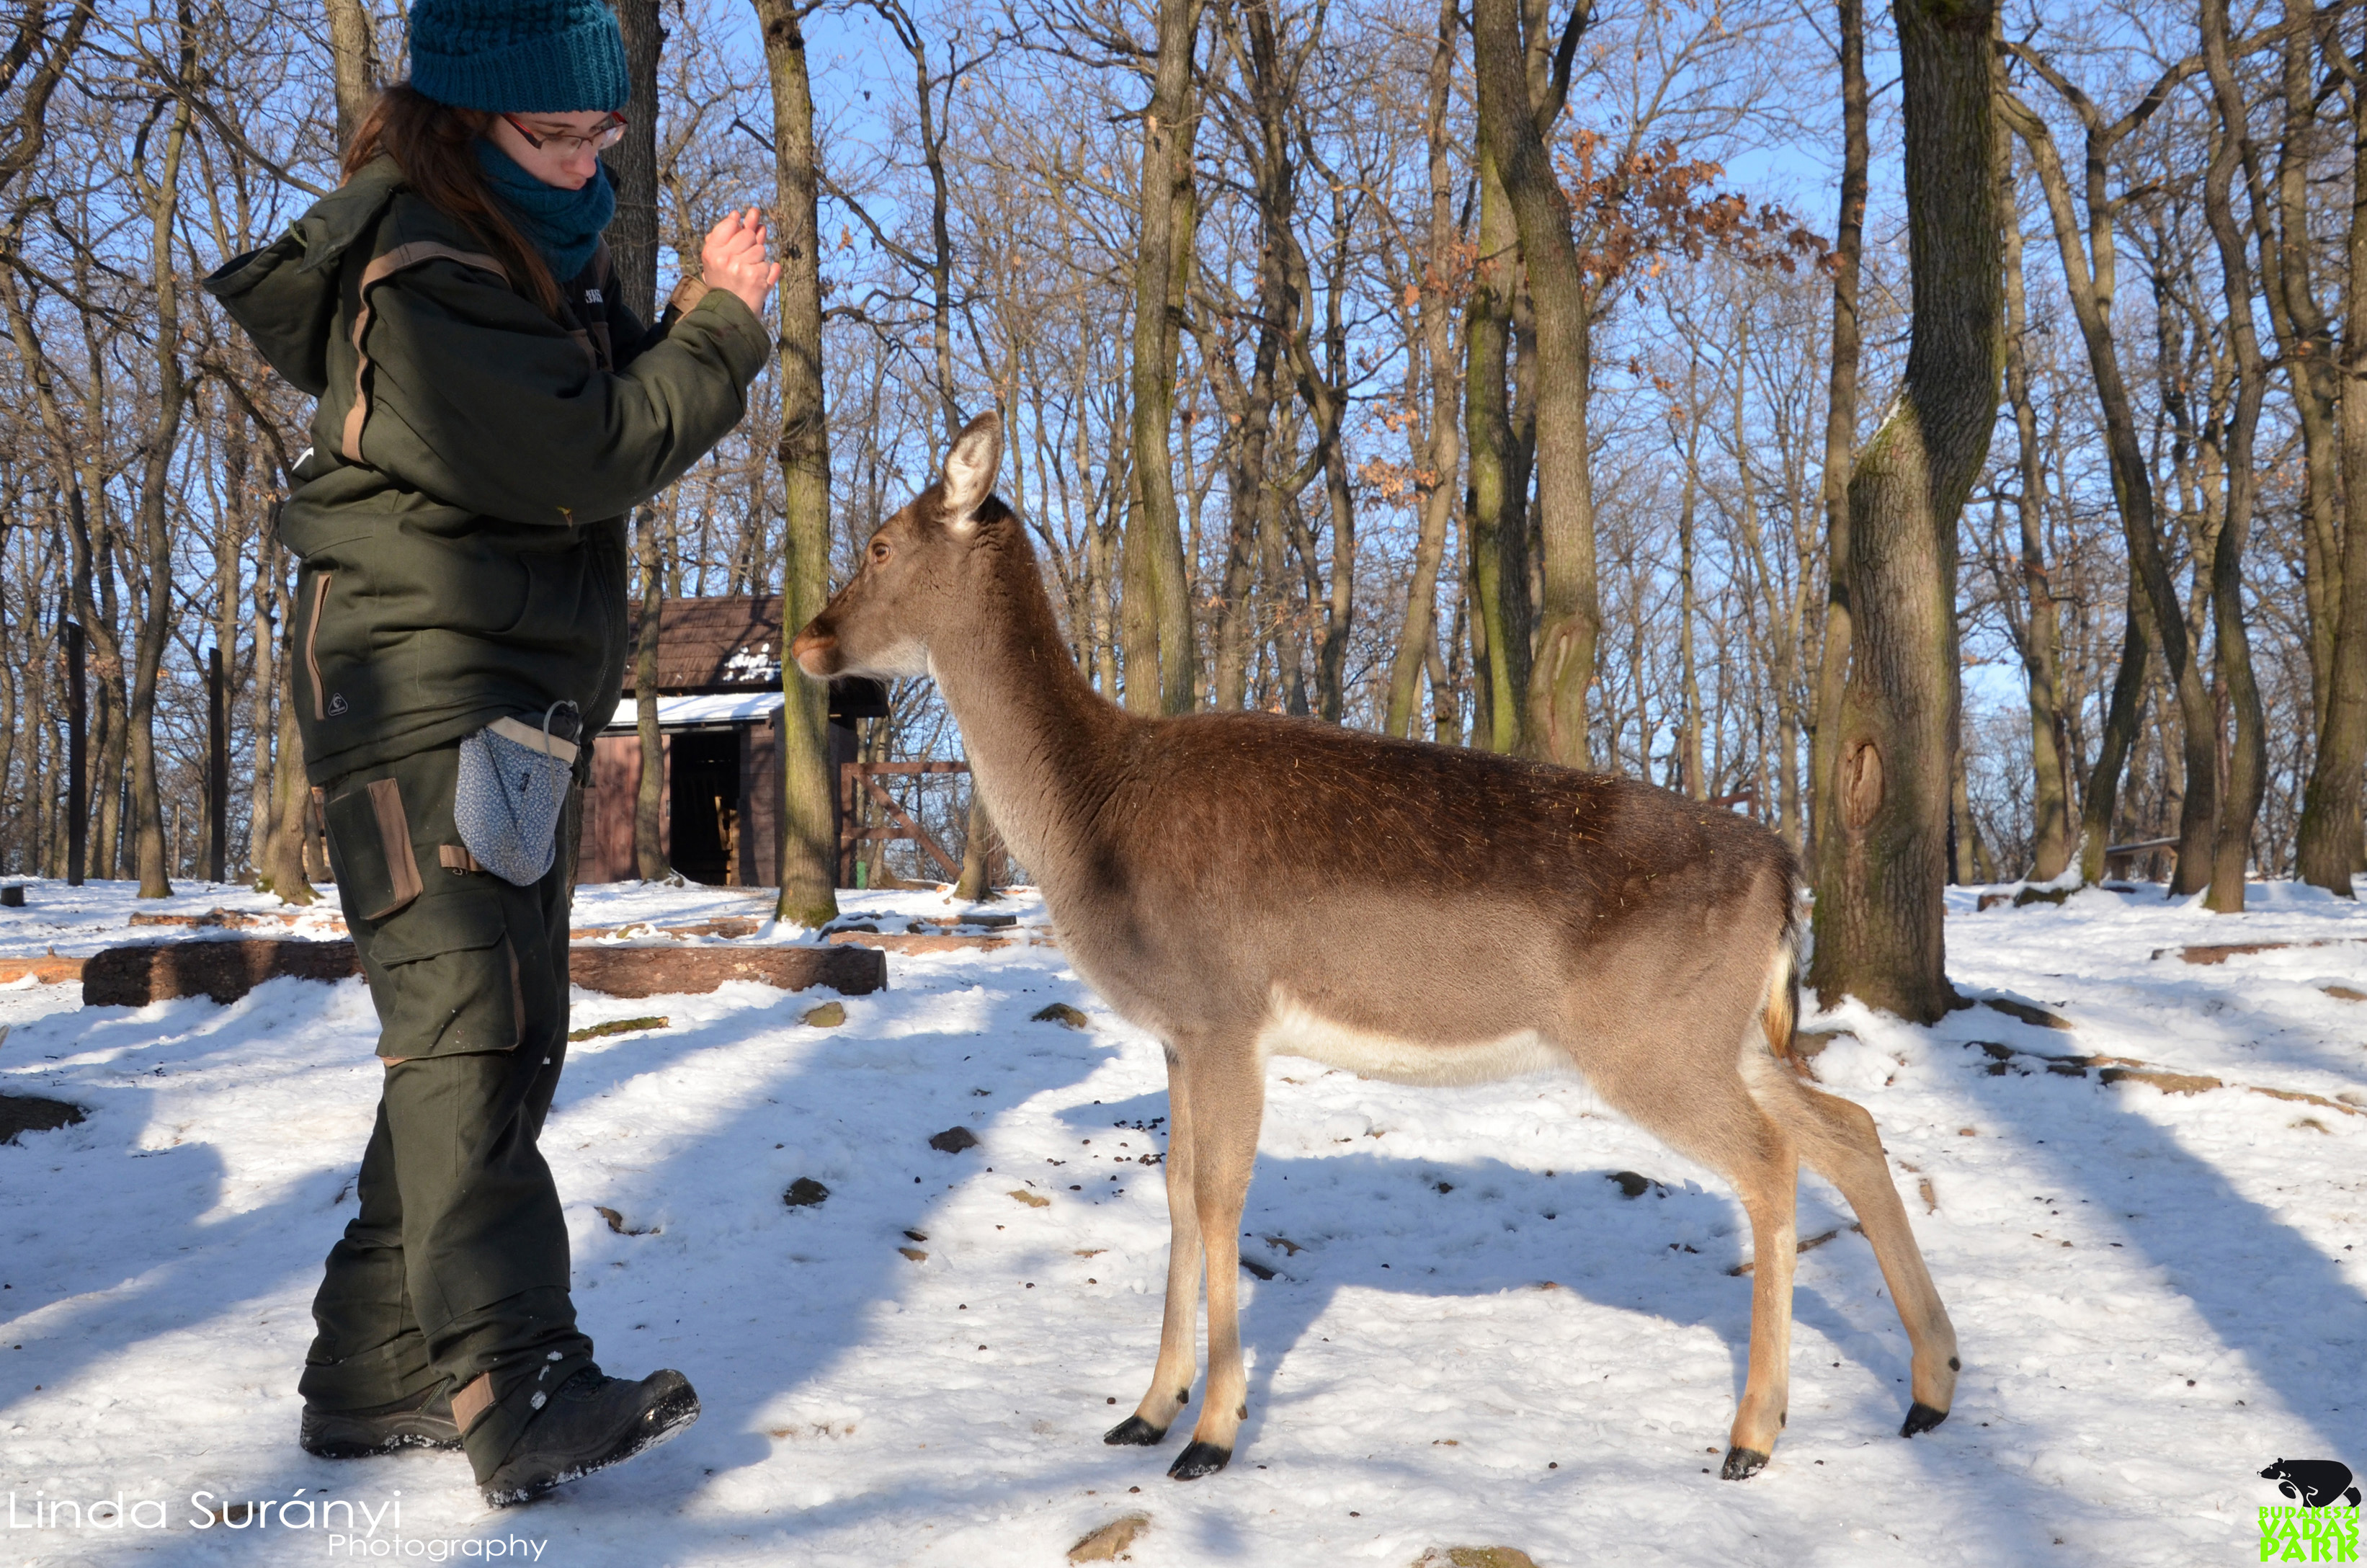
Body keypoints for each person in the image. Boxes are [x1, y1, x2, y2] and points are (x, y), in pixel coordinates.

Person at [204, 0, 778, 1507]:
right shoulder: (421, 275)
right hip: (420, 685)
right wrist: (720, 329)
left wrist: (667, 333)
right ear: (463, 121)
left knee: (496, 1024)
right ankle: (510, 1379)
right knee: (472, 1020)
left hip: (503, 692)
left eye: (604, 134)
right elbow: (587, 453)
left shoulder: (513, 252)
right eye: (554, 134)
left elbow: (574, 427)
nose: (589, 161)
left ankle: (372, 1368)